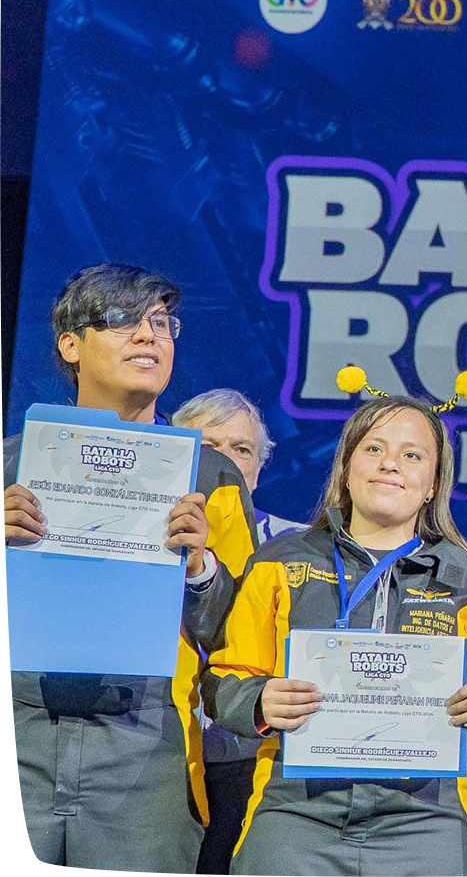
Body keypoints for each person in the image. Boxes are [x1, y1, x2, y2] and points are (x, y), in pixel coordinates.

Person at [202, 382, 467, 877]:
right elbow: (221, 679)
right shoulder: (281, 561)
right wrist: (258, 700)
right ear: (346, 467)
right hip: (296, 812)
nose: (390, 464)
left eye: (412, 455)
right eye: (374, 449)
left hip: (427, 818)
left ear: (434, 483)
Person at [0, 264, 257, 877]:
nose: (149, 336)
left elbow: (241, 633)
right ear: (71, 344)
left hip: (146, 744)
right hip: (14, 734)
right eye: (122, 320)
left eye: (162, 324)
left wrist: (200, 568)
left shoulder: (212, 477)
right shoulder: (11, 463)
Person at [173, 388, 305, 877]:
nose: (224, 462)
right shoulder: (135, 536)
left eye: (241, 449)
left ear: (259, 469)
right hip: (158, 757)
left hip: (246, 760)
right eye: (208, 447)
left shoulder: (297, 550)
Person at [174, 389, 305, 544]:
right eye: (207, 447)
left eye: (242, 450)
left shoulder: (296, 544)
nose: (225, 459)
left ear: (257, 473)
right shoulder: (150, 529)